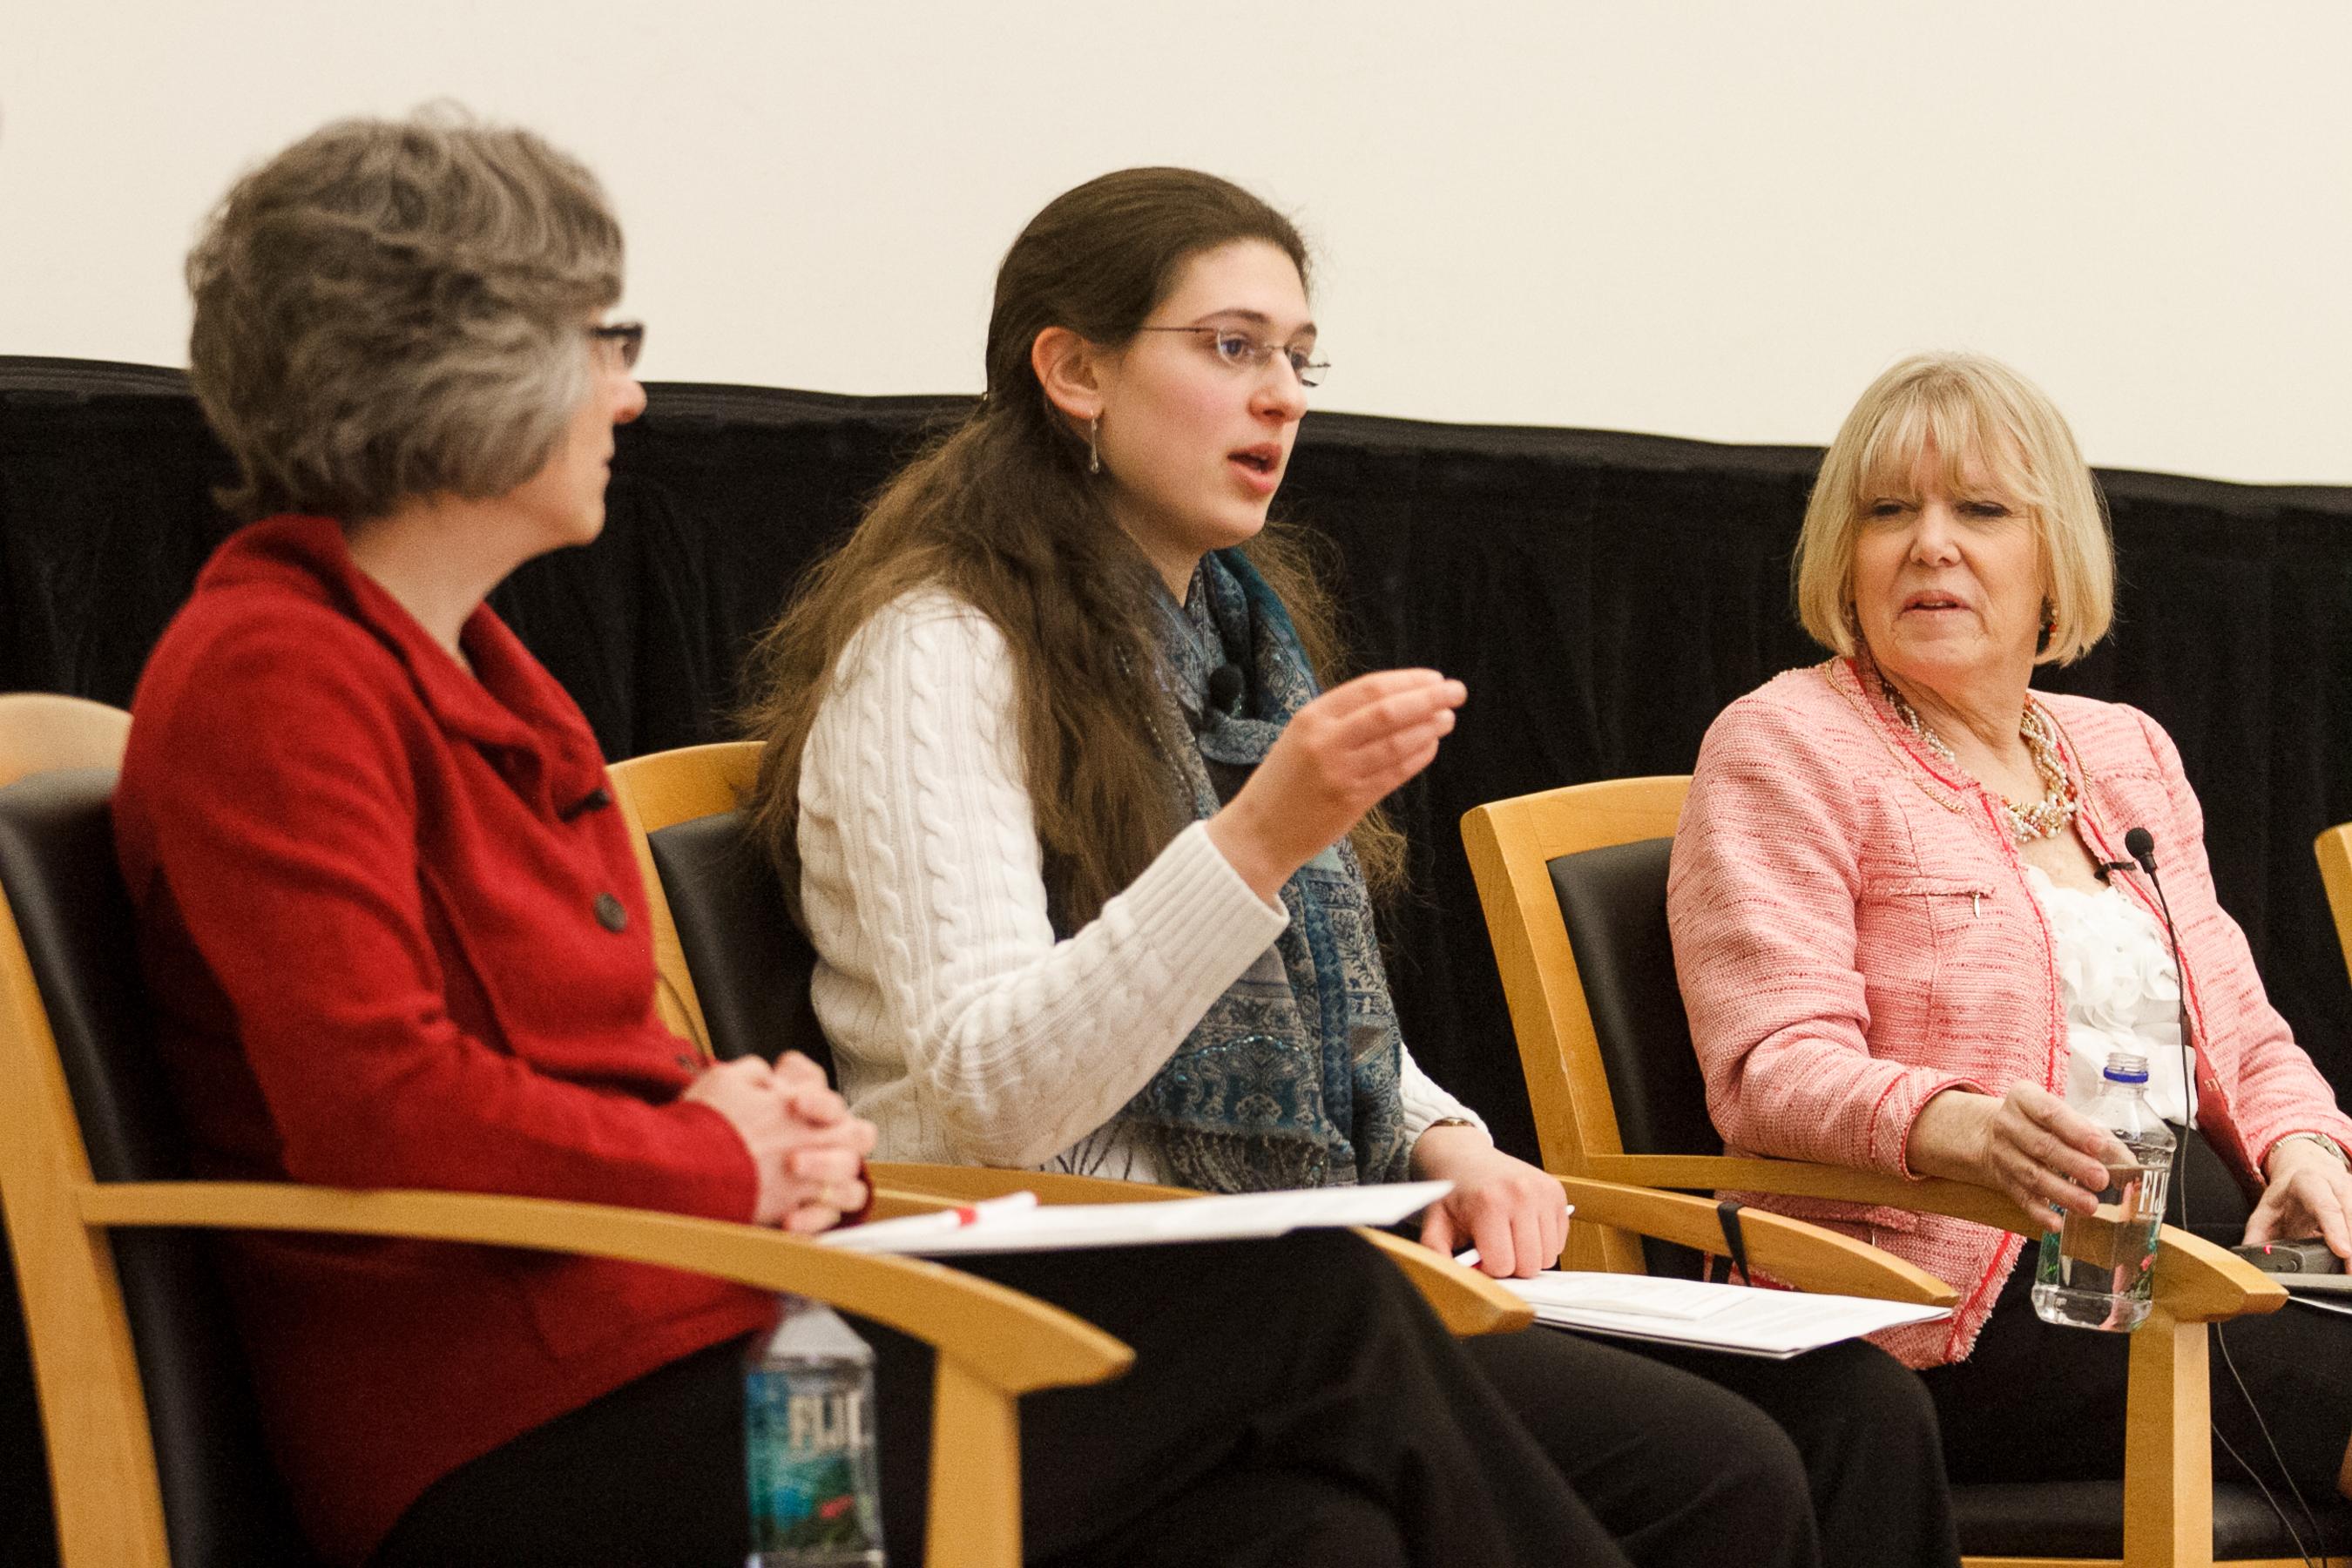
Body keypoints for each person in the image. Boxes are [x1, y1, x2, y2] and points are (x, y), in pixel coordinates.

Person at [113, 112, 1646, 1568]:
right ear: (436, 369)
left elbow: (553, 1063)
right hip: (523, 1445)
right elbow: (374, 1107)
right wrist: (713, 1154)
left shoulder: (483, 680)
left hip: (728, 1349)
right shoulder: (275, 678)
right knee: (1317, 1310)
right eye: (599, 343)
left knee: (1311, 1539)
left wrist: (740, 1102)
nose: (628, 395)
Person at [746, 165, 1960, 1568]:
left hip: (1292, 1275)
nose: (1284, 397)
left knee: (1852, 1408)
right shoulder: (938, 652)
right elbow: (991, 1094)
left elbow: (1335, 1036)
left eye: (1299, 359)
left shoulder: (1239, 645)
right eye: (1233, 348)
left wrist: (1450, 1137)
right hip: (1056, 1288)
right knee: (1721, 1473)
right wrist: (1255, 839)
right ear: (1072, 370)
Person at [1669, 350, 2352, 1505]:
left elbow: (2245, 1028)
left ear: (2054, 560)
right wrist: (1964, 1128)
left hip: (2192, 1253)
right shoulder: (1782, 744)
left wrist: (2307, 1154)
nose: (1932, 542)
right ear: (1846, 553)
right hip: (1958, 1293)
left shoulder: (2123, 749)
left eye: (1980, 509)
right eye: (1890, 511)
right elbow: (1768, 1068)